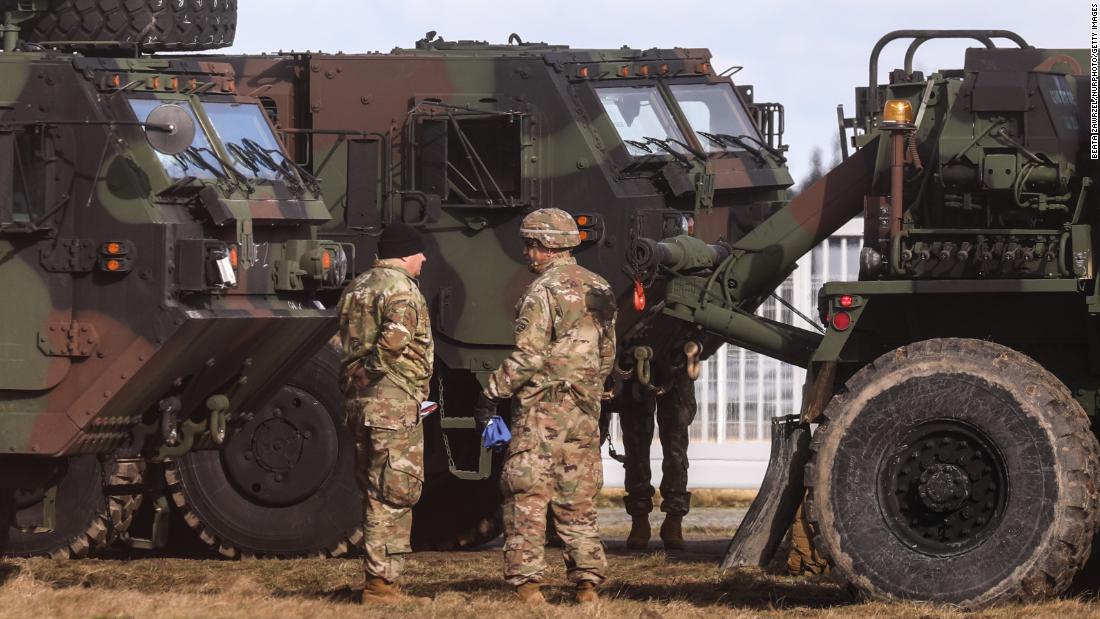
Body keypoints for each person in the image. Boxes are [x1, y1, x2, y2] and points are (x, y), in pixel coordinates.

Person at [473, 208, 616, 605]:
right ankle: (587, 584)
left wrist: (491, 393)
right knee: (578, 497)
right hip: (584, 410)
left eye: (530, 245)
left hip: (541, 412)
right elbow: (607, 354)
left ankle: (528, 586)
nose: (526, 254)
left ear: (544, 246)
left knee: (527, 493)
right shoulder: (600, 287)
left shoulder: (542, 292)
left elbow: (529, 356)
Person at [337, 222, 432, 604]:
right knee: (394, 491)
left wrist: (355, 376)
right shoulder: (402, 289)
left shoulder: (357, 286)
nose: (424, 259)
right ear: (407, 253)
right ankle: (381, 584)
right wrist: (371, 370)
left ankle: (379, 578)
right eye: (420, 252)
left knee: (373, 490)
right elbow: (395, 338)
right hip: (391, 401)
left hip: (361, 404)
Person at [620, 357, 697, 551]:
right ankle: (639, 520)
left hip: (677, 359)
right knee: (635, 445)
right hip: (635, 359)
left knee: (676, 446)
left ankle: (674, 519)